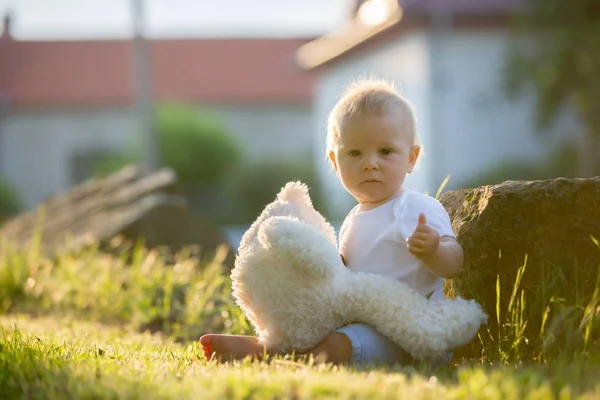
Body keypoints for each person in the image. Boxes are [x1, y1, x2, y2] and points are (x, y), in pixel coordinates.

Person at [200, 78, 463, 366]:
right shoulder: (353, 219)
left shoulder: (415, 207)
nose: (370, 163)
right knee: (317, 330)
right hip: (357, 321)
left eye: (385, 152)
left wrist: (434, 249)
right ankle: (272, 346)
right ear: (335, 163)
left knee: (339, 344)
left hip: (407, 334)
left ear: (411, 158)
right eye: (354, 153)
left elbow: (453, 263)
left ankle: (278, 358)